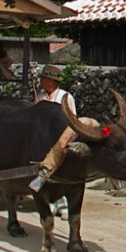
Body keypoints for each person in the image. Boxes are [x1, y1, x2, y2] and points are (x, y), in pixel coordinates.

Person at [28, 65, 90, 194]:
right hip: (42, 136)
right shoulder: (40, 97)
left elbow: (72, 123)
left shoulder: (66, 98)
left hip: (60, 137)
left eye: (44, 79)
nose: (41, 81)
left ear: (51, 81)